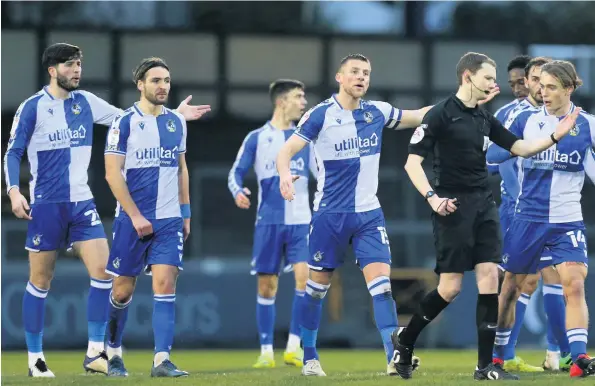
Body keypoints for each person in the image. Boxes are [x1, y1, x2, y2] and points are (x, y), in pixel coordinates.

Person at [3, 43, 209, 377]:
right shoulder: (32, 108)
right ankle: (36, 358)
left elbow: (128, 118)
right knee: (41, 280)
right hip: (47, 204)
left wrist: (173, 117)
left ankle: (96, 353)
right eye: (71, 65)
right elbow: (13, 153)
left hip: (82, 203)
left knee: (104, 276)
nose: (77, 70)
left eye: (80, 64)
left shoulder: (85, 101)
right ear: (53, 70)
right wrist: (14, 191)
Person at [392, 52, 580, 381]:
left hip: (485, 205)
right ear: (468, 77)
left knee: (490, 279)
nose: (495, 84)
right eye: (489, 78)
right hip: (451, 207)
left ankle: (485, 366)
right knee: (450, 289)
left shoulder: (483, 118)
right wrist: (433, 199)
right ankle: (405, 340)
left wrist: (555, 136)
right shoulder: (439, 115)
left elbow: (519, 147)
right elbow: (411, 164)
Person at [275, 53, 433, 377]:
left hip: (368, 216)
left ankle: (393, 358)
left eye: (366, 73)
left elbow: (417, 115)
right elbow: (286, 150)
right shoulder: (319, 115)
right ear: (340, 77)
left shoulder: (378, 111)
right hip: (329, 217)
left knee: (382, 287)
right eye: (355, 72)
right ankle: (309, 357)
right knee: (316, 289)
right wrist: (283, 175)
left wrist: (458, 105)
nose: (361, 77)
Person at [490, 60, 595, 378]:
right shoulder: (525, 120)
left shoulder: (589, 125)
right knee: (511, 287)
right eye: (540, 85)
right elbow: (491, 156)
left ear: (569, 88)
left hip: (567, 221)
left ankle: (578, 359)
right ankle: (496, 356)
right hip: (527, 219)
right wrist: (529, 148)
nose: (542, 92)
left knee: (574, 284)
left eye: (551, 86)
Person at [103, 57, 192, 378]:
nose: (163, 86)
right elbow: (112, 174)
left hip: (169, 221)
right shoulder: (124, 122)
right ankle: (112, 353)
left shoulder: (176, 123)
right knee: (122, 291)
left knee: (166, 283)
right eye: (156, 80)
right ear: (140, 84)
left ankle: (161, 360)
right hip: (132, 221)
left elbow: (181, 168)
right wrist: (136, 215)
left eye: (166, 80)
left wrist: (186, 212)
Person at [227, 79, 315, 368]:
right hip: (269, 222)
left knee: (306, 279)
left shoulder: (305, 140)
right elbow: (235, 173)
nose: (304, 103)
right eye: (298, 97)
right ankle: (266, 352)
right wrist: (238, 191)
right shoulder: (257, 138)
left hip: (302, 220)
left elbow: (323, 173)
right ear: (281, 101)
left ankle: (292, 346)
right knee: (267, 287)